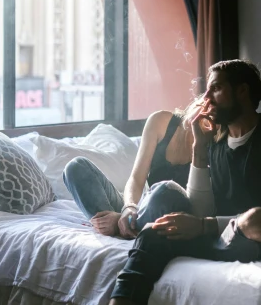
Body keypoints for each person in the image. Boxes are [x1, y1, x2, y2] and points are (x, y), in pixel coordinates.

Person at [40, 59, 261, 305]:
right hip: (223, 237)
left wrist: (204, 226)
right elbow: (200, 205)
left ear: (243, 92)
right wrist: (200, 149)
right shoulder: (214, 139)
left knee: (257, 219)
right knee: (153, 233)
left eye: (216, 87)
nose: (206, 95)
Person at [63, 97, 203, 239]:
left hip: (172, 218)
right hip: (141, 210)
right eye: (205, 100)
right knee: (75, 167)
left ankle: (124, 226)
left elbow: (200, 209)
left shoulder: (215, 146)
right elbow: (136, 178)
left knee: (163, 194)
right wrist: (129, 208)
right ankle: (123, 225)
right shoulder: (162, 122)